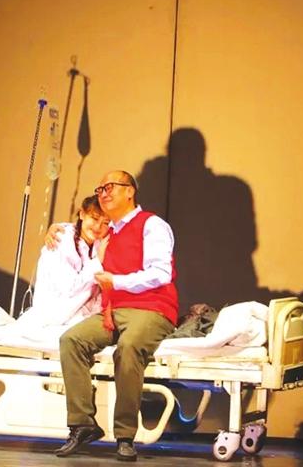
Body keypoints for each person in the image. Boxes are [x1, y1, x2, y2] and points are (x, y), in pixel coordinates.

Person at [51, 170, 178, 461]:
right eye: (100, 189)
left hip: (152, 308)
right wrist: (56, 229)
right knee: (72, 340)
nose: (103, 193)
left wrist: (117, 282)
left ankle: (125, 434)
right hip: (114, 311)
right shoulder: (109, 231)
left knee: (129, 347)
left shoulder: (152, 225)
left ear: (130, 191)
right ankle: (83, 424)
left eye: (110, 187)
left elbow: (161, 273)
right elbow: (81, 227)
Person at [10, 195, 110, 341]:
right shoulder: (60, 240)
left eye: (105, 222)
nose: (98, 227)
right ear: (82, 214)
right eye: (94, 218)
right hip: (54, 315)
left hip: (80, 315)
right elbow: (69, 288)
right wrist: (98, 261)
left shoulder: (99, 245)